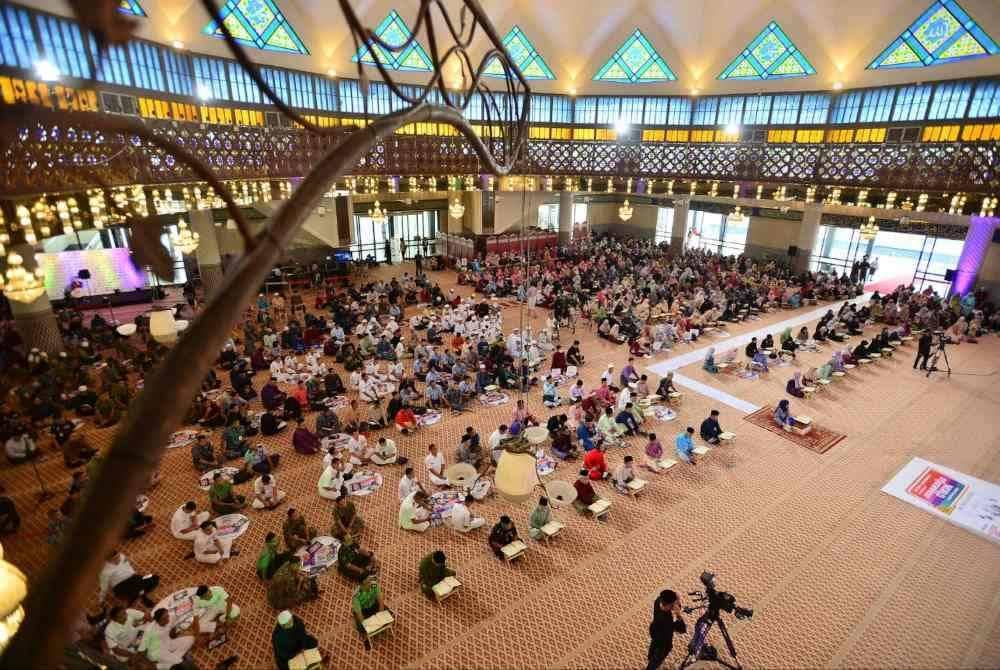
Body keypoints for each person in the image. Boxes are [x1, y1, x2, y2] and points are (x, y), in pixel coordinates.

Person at [645, 589, 687, 670]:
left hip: (654, 630)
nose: (675, 605)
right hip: (663, 642)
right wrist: (678, 615)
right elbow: (682, 629)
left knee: (653, 645)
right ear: (669, 605)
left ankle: (651, 656)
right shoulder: (667, 620)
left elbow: (667, 596)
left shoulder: (658, 601)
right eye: (673, 604)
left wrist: (676, 596)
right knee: (658, 657)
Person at [351, 574, 388, 648]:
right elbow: (360, 614)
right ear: (362, 583)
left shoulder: (374, 585)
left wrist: (381, 616)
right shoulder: (356, 596)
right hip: (364, 611)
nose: (370, 581)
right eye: (368, 581)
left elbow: (380, 601)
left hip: (374, 605)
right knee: (362, 628)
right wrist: (368, 626)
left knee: (387, 615)